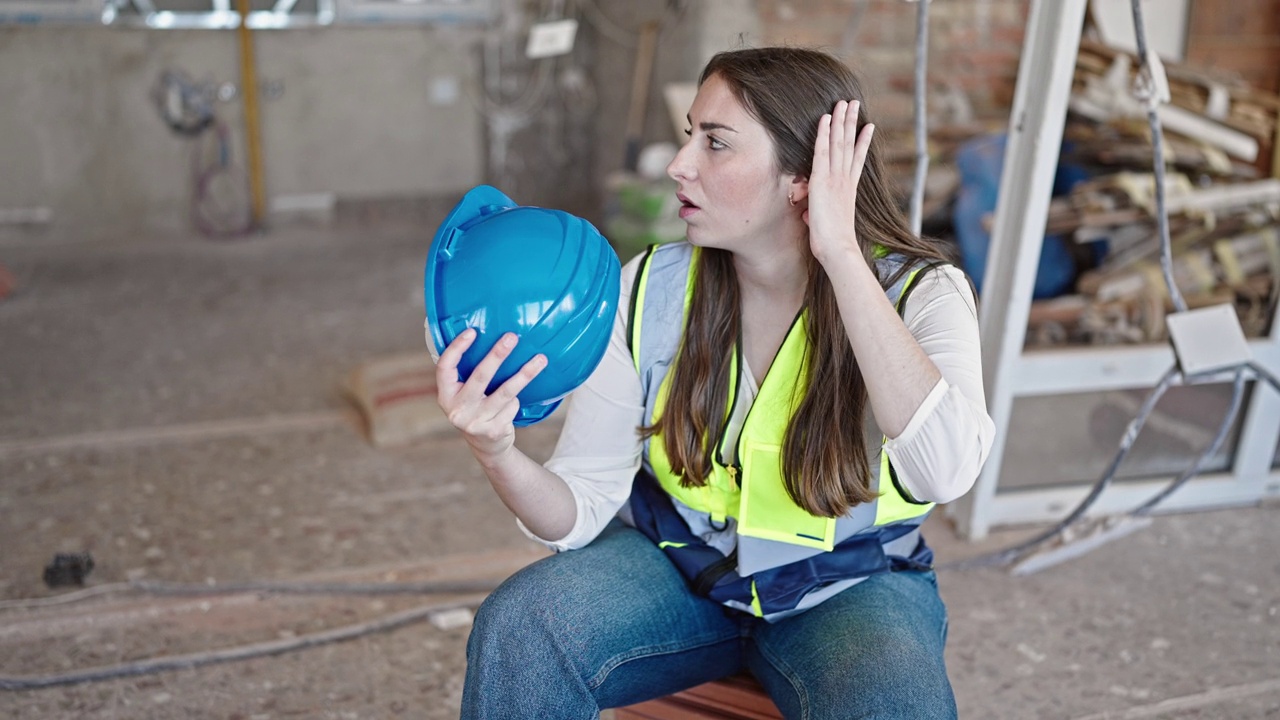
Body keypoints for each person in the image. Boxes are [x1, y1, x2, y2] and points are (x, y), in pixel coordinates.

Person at [434, 46, 995, 720]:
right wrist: (496, 452)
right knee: (523, 625)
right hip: (677, 568)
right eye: (688, 136)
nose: (680, 164)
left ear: (801, 177)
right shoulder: (646, 287)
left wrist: (842, 255)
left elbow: (946, 471)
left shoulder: (923, 293)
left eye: (715, 143)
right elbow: (579, 510)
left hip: (853, 585)